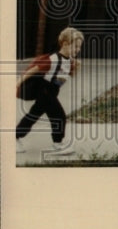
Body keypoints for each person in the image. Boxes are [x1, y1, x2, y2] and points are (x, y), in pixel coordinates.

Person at [15, 27, 85, 157]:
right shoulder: (52, 59)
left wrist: (75, 67)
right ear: (65, 44)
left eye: (79, 47)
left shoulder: (69, 61)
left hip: (52, 91)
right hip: (44, 90)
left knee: (33, 115)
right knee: (59, 116)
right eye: (75, 47)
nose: (78, 50)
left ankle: (16, 136)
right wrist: (18, 83)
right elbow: (32, 71)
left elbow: (67, 77)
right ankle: (57, 144)